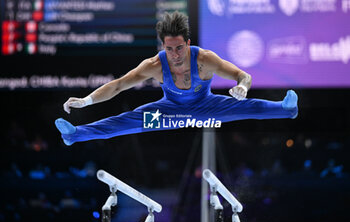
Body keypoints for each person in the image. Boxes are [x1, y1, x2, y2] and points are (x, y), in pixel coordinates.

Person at [55, 11, 298, 146]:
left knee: (245, 107)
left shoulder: (205, 59)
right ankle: (74, 134)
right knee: (126, 122)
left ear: (188, 43)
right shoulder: (154, 65)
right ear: (163, 46)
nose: (175, 55)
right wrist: (86, 101)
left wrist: (243, 87)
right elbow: (118, 85)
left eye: (180, 48)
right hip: (168, 112)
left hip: (207, 108)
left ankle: (287, 109)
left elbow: (242, 75)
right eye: (169, 49)